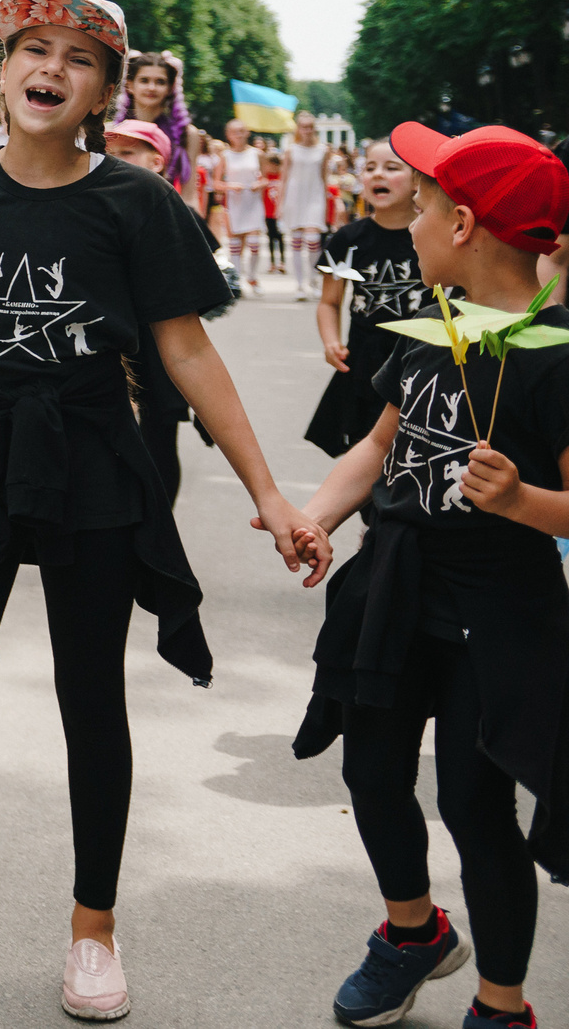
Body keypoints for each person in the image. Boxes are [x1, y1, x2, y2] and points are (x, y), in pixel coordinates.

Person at [0, 0, 328, 1029]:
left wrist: (271, 492)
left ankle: (93, 929)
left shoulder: (135, 205)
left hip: (94, 463)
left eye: (78, 59)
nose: (51, 69)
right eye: (32, 51)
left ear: (99, 92)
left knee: (90, 698)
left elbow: (184, 350)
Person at [290, 122, 569, 1029]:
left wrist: (525, 500)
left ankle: (502, 1004)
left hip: (499, 606)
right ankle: (412, 932)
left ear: (462, 224)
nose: (406, 212)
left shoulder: (558, 354)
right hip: (398, 586)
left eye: (424, 199)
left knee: (472, 801)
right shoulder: (426, 326)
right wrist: (316, 516)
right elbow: (376, 445)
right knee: (370, 769)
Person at [100, 118, 233, 501]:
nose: (116, 160)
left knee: (158, 439)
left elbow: (219, 281)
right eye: (109, 152)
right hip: (107, 348)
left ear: (158, 161)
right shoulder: (88, 207)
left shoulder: (174, 210)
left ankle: (158, 527)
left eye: (128, 153)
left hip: (160, 352)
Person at [305, 139, 427, 459]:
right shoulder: (348, 239)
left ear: (418, 179)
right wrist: (331, 342)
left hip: (419, 361)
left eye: (391, 168)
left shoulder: (431, 235)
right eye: (369, 168)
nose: (377, 175)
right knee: (365, 452)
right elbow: (329, 303)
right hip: (364, 364)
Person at [111, 51, 193, 193]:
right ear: (129, 85)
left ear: (170, 88)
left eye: (160, 82)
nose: (151, 87)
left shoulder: (187, 133)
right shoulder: (110, 131)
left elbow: (189, 194)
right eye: (144, 80)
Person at [281, 111, 331, 299]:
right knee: (296, 242)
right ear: (298, 129)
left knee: (313, 240)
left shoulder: (323, 150)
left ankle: (314, 279)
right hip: (294, 197)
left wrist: (327, 203)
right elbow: (284, 178)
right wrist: (280, 204)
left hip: (315, 197)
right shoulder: (291, 150)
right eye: (304, 127)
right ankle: (300, 284)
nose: (307, 131)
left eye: (310, 127)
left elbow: (325, 177)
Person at [213, 119, 266, 291]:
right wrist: (230, 186)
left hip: (253, 201)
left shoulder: (257, 154)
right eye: (235, 132)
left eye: (242, 131)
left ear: (248, 133)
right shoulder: (225, 156)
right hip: (235, 203)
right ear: (228, 135)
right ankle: (236, 281)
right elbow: (215, 183)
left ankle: (252, 276)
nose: (239, 135)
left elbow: (266, 178)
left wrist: (259, 184)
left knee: (254, 241)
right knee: (236, 244)